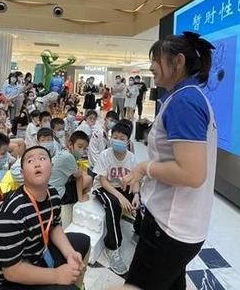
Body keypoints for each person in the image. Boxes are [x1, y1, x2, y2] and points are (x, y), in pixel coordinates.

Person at [123, 32, 217, 290]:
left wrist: (145, 168)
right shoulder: (184, 97)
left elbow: (192, 173)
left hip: (169, 227)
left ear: (177, 61)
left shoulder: (185, 102)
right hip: (180, 224)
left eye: (156, 59)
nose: (151, 66)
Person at [0, 146, 90, 289]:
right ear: (22, 173)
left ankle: (75, 282)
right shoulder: (11, 212)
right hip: (4, 282)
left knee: (83, 241)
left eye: (42, 158)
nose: (37, 163)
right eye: (30, 161)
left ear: (51, 167)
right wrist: (57, 275)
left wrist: (69, 253)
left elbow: (54, 226)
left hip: (35, 255)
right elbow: (12, 272)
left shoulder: (53, 194)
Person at [93, 123, 141, 276]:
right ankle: (112, 247)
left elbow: (134, 180)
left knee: (145, 197)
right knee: (113, 204)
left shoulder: (131, 157)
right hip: (103, 187)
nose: (118, 140)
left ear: (128, 141)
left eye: (122, 138)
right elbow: (104, 181)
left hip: (122, 187)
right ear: (110, 137)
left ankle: (138, 231)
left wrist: (136, 195)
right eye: (115, 137)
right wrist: (120, 198)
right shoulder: (105, 155)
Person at [49, 131, 92, 204]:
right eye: (79, 146)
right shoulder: (69, 157)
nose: (82, 150)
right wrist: (80, 198)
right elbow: (79, 177)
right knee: (88, 178)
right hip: (59, 194)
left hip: (51, 189)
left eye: (84, 148)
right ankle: (80, 199)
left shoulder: (64, 152)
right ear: (70, 144)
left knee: (83, 173)